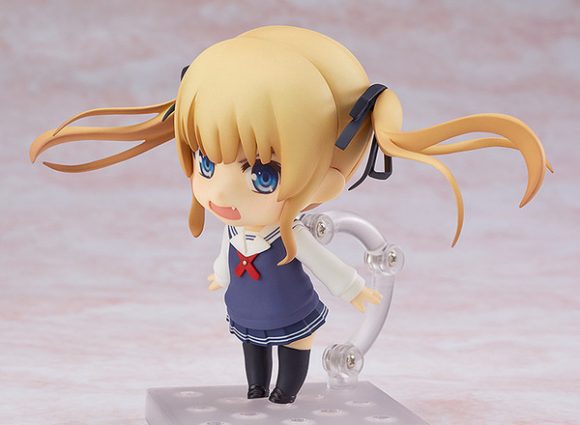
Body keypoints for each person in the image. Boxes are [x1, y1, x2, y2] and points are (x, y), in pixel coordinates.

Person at [29, 25, 549, 404]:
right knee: (250, 341)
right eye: (206, 162)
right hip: (245, 299)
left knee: (293, 343)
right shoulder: (237, 228)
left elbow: (323, 262)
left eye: (262, 174)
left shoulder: (293, 230)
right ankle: (257, 386)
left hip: (288, 302)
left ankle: (285, 393)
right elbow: (226, 250)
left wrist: (355, 289)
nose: (220, 189)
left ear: (328, 170)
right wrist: (219, 274)